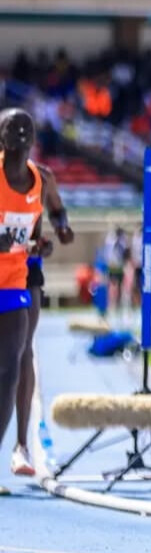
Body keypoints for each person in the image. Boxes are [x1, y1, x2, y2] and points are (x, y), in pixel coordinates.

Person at [10, 148, 73, 478]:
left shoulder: (43, 177)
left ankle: (22, 445)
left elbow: (58, 213)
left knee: (24, 349)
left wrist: (60, 231)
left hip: (27, 270)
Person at [0, 109, 47, 493]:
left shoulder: (41, 180)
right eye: (11, 127)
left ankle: (18, 446)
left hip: (14, 280)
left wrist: (41, 244)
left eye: (25, 127)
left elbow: (38, 230)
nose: (19, 131)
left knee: (12, 365)